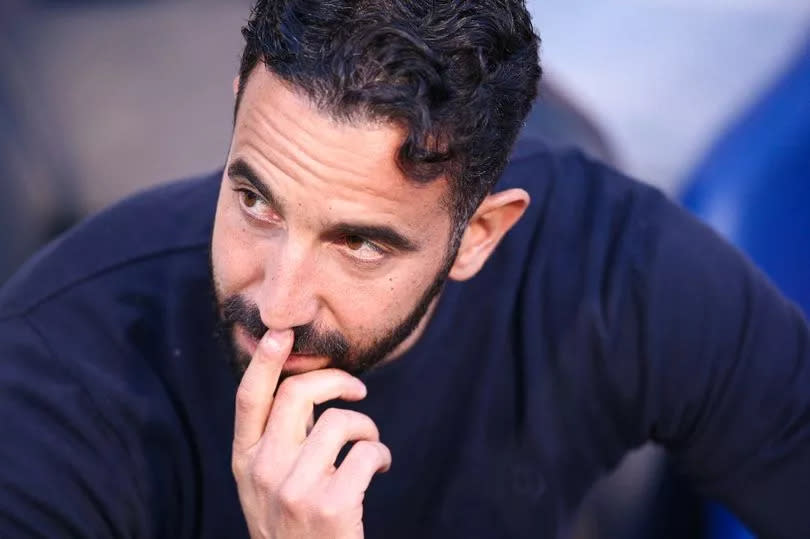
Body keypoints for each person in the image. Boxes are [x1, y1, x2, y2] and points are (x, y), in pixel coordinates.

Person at [1, 1, 808, 537]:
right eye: (256, 199)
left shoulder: (615, 272)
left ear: (482, 235)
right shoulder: (56, 386)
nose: (276, 304)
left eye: (359, 243)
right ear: (237, 106)